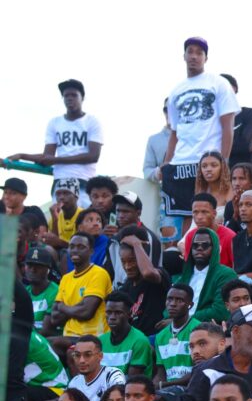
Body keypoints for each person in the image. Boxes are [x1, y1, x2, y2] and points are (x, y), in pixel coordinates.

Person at [162, 37, 240, 233]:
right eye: (190, 51)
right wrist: (166, 163)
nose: (194, 56)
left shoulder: (219, 83)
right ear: (184, 56)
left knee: (209, 216)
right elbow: (174, 132)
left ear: (206, 57)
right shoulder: (176, 91)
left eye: (199, 52)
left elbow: (228, 125)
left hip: (208, 162)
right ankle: (182, 250)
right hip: (180, 163)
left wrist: (224, 160)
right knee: (179, 221)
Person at [6, 79, 102, 207]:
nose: (69, 98)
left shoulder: (92, 121)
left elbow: (93, 156)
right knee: (59, 218)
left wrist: (57, 160)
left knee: (83, 218)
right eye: (66, 96)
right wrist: (22, 155)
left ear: (82, 98)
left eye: (74, 95)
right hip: (60, 181)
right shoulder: (54, 123)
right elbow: (47, 157)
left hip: (83, 180)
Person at [52, 234, 111, 338]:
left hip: (94, 337)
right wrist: (78, 307)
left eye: (81, 247)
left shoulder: (98, 274)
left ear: (91, 251)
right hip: (69, 336)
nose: (75, 250)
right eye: (72, 246)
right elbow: (55, 318)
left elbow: (86, 313)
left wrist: (63, 307)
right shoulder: (65, 278)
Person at [113, 229, 170, 336]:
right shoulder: (126, 287)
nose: (127, 267)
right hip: (134, 340)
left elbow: (147, 273)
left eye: (132, 261)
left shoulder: (158, 274)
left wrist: (136, 244)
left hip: (154, 338)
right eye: (123, 261)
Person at [173, 228, 237, 324]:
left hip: (208, 328)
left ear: (215, 248)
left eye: (205, 245)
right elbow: (170, 307)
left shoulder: (226, 274)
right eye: (195, 245)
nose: (199, 248)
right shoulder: (182, 278)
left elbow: (220, 311)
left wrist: (184, 320)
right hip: (177, 326)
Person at [104, 192, 162, 287]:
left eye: (126, 211)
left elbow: (150, 274)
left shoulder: (149, 238)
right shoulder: (113, 240)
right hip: (119, 293)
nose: (120, 215)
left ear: (138, 213)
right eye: (118, 211)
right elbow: (109, 273)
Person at [220, 74, 252, 180]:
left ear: (234, 89)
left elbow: (245, 145)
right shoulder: (211, 122)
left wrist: (217, 146)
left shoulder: (250, 114)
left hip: (248, 178)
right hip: (221, 179)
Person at [98, 293, 153, 378]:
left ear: (129, 314)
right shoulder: (100, 341)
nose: (112, 317)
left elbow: (132, 381)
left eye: (118, 313)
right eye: (108, 312)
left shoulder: (139, 341)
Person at [65, 337, 125, 401]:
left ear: (100, 356)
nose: (81, 360)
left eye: (88, 355)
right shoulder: (74, 382)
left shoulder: (112, 375)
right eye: (77, 355)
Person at [180, 193, 234, 267]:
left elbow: (236, 268)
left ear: (214, 213)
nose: (199, 217)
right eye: (195, 212)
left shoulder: (230, 237)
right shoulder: (190, 236)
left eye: (204, 212)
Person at [24, 247, 59, 332]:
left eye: (38, 266)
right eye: (29, 265)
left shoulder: (56, 292)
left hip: (45, 339)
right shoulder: (24, 292)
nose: (33, 270)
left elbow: (45, 330)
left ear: (48, 269)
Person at [43, 179, 82, 250]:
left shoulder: (84, 216)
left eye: (66, 193)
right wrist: (55, 219)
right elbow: (53, 245)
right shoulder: (53, 217)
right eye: (58, 194)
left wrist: (59, 242)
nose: (61, 197)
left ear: (76, 196)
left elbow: (81, 248)